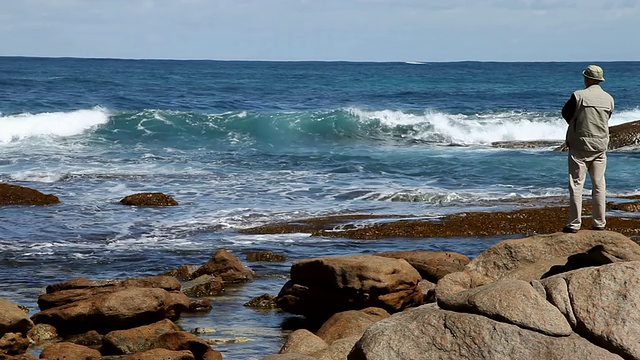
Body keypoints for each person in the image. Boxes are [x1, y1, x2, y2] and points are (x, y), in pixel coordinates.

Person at [561, 64, 614, 233]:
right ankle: (599, 223)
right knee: (599, 185)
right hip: (600, 145)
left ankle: (574, 224)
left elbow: (566, 113)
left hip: (579, 146)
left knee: (576, 184)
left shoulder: (579, 95)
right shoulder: (609, 98)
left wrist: (577, 124)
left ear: (588, 78)